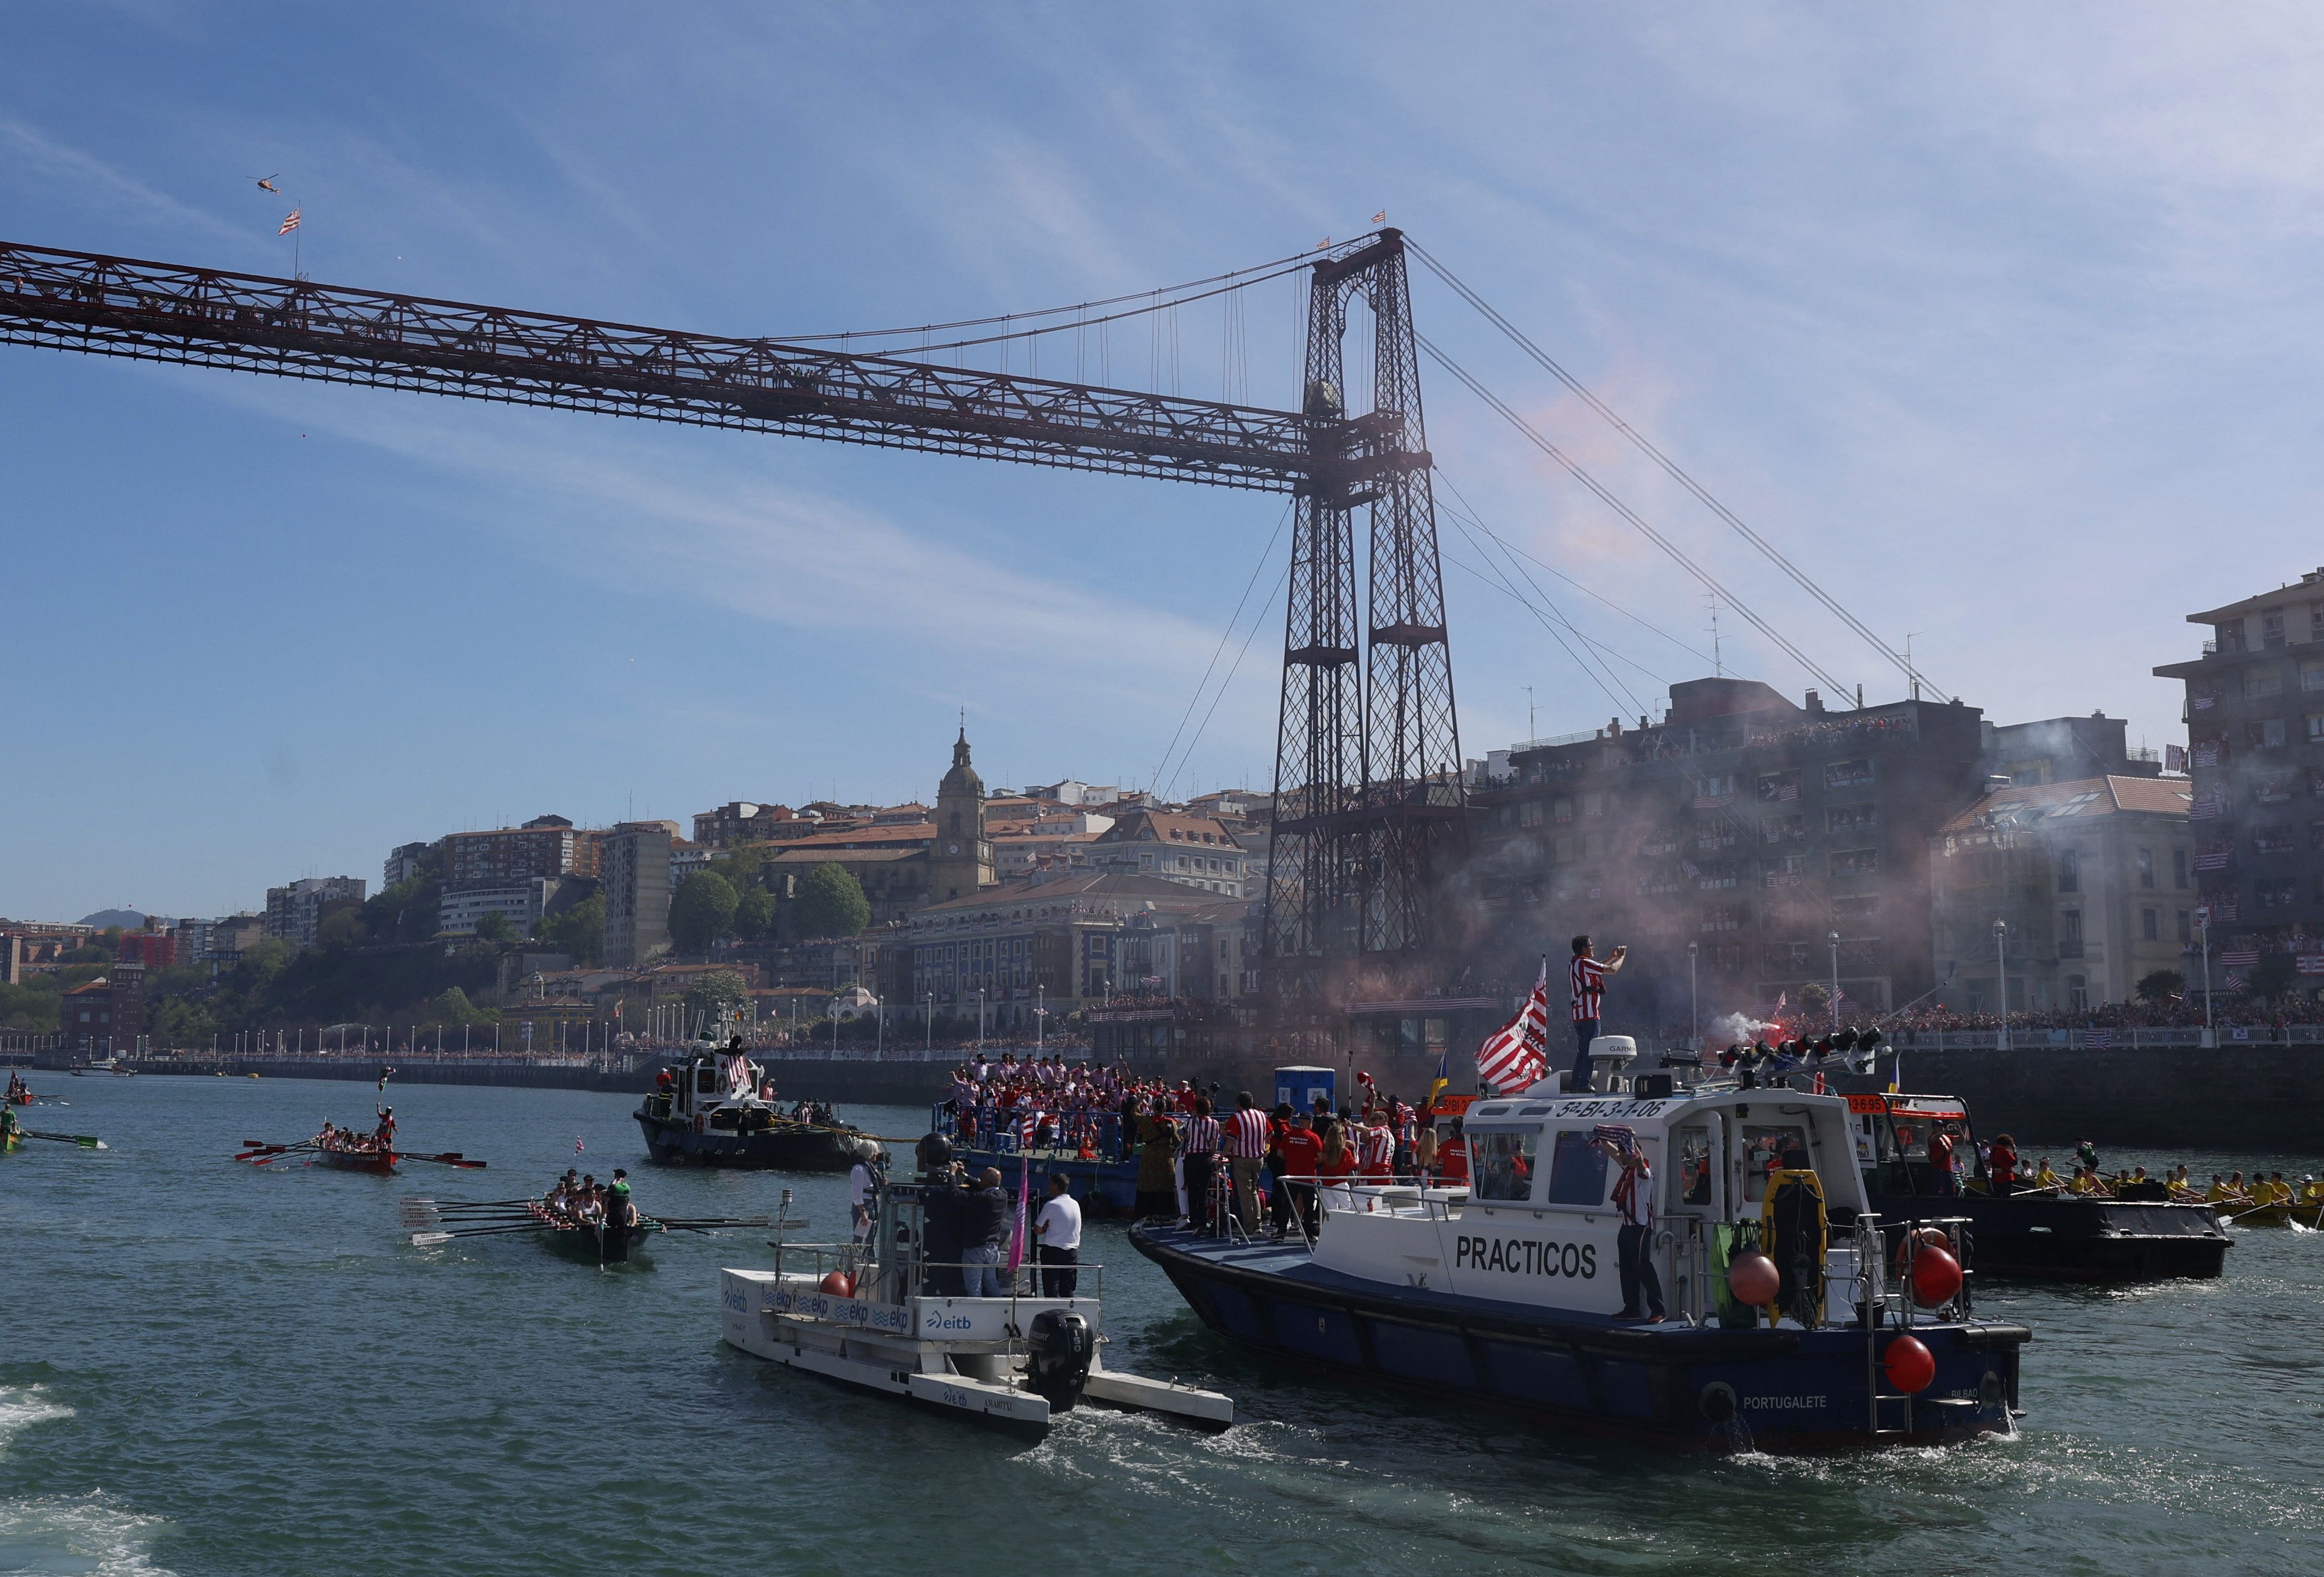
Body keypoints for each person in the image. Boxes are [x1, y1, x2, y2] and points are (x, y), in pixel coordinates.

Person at [1595, 1126, 1664, 1324]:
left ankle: (1659, 1309)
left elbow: (1639, 1161)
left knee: (1644, 1266)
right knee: (1626, 1267)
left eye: (1626, 1153)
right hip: (1627, 1226)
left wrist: (1631, 1142)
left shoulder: (1645, 1172)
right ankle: (1631, 1307)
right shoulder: (1628, 1169)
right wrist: (1601, 1136)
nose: (1624, 1157)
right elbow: (1612, 1152)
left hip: (1641, 1226)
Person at [1568, 934, 1629, 1092]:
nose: (1593, 948)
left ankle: (1576, 1082)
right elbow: (1611, 970)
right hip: (1589, 1015)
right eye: (1591, 946)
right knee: (1590, 1050)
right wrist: (1621, 958)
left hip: (1578, 1015)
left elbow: (1596, 968)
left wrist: (1610, 957)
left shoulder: (1576, 964)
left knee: (1582, 1050)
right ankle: (1584, 1084)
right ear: (1584, 949)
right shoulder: (1583, 963)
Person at [958, 1168, 1011, 1297]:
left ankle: (976, 1315)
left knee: (974, 1287)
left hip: (976, 1248)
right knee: (992, 1284)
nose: (979, 1179)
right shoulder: (1003, 1194)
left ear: (988, 1183)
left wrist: (952, 1178)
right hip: (993, 1248)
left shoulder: (984, 1198)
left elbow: (958, 1196)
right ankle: (998, 1311)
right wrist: (964, 1175)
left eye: (982, 1177)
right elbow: (982, 1185)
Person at [1223, 1092, 1269, 1234]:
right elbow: (1270, 1134)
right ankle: (1258, 1224)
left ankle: (1248, 1227)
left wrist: (1222, 1155)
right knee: (1254, 1192)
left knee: (1244, 1194)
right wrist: (1261, 1143)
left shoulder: (1237, 1117)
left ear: (1239, 1104)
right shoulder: (1262, 1116)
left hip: (1242, 1159)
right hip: (1259, 1159)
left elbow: (1231, 1140)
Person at [1275, 1112, 1325, 1242]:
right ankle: (1308, 1235)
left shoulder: (1288, 1136)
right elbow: (1321, 1157)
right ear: (1310, 1122)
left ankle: (1281, 1233)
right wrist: (1311, 1161)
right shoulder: (1314, 1137)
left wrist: (1291, 1159)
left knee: (1287, 1204)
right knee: (1309, 1206)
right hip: (1308, 1177)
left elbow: (1280, 1153)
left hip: (1291, 1176)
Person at [1033, 1173, 1083, 1297]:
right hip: (1071, 1252)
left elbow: (1037, 1229)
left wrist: (1046, 1228)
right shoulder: (1075, 1204)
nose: (1048, 1187)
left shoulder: (1051, 1205)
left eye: (1049, 1184)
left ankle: (1052, 1313)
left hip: (1053, 1252)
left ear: (1055, 1186)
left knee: (1051, 1289)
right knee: (1067, 1289)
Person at [1181, 1097, 1221, 1233]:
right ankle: (1203, 1222)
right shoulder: (1214, 1123)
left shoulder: (1191, 1122)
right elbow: (1215, 1145)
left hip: (1191, 1158)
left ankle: (1193, 1221)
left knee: (1192, 1190)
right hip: (1206, 1158)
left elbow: (1187, 1137)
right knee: (1203, 1191)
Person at [848, 1152, 877, 1245]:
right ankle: (854, 1259)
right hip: (863, 1205)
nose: (876, 1154)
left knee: (871, 1239)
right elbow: (856, 1193)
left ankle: (871, 1259)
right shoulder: (858, 1169)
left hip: (872, 1203)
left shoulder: (869, 1168)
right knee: (859, 1239)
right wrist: (863, 1211)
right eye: (874, 1152)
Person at [1437, 1117, 1470, 1188]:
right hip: (1464, 1185)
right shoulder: (1472, 1146)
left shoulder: (1446, 1145)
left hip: (1447, 1184)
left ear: (1454, 1128)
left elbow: (1441, 1161)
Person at [1987, 1133, 2019, 1197]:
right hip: (2006, 1178)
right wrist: (2014, 1151)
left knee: (1997, 1196)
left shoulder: (1993, 1151)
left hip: (1996, 1177)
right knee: (2006, 1197)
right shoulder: (2005, 1151)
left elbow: (1991, 1161)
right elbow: (2015, 1162)